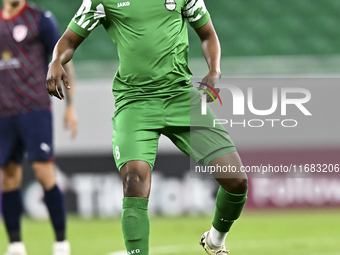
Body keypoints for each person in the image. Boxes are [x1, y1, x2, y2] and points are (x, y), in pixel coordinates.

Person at [46, 0, 247, 254]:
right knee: (134, 180)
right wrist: (56, 60)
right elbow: (69, 40)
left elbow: (207, 33)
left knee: (236, 180)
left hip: (181, 97)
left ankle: (215, 241)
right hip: (135, 102)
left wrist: (214, 70)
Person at [0, 0, 77, 255]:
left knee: (44, 172)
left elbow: (63, 57)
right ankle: (15, 246)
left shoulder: (39, 19)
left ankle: (61, 243)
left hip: (35, 109)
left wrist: (70, 106)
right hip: (4, 113)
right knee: (8, 178)